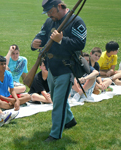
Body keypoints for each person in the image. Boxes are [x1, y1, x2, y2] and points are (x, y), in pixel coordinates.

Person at [31, 0, 87, 142]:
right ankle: (70, 120)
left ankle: (55, 135)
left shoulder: (76, 21)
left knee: (59, 104)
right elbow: (42, 34)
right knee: (57, 99)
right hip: (51, 66)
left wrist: (62, 40)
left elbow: (80, 43)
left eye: (51, 11)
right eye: (48, 12)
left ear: (60, 6)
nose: (49, 14)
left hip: (66, 68)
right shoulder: (50, 21)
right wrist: (35, 41)